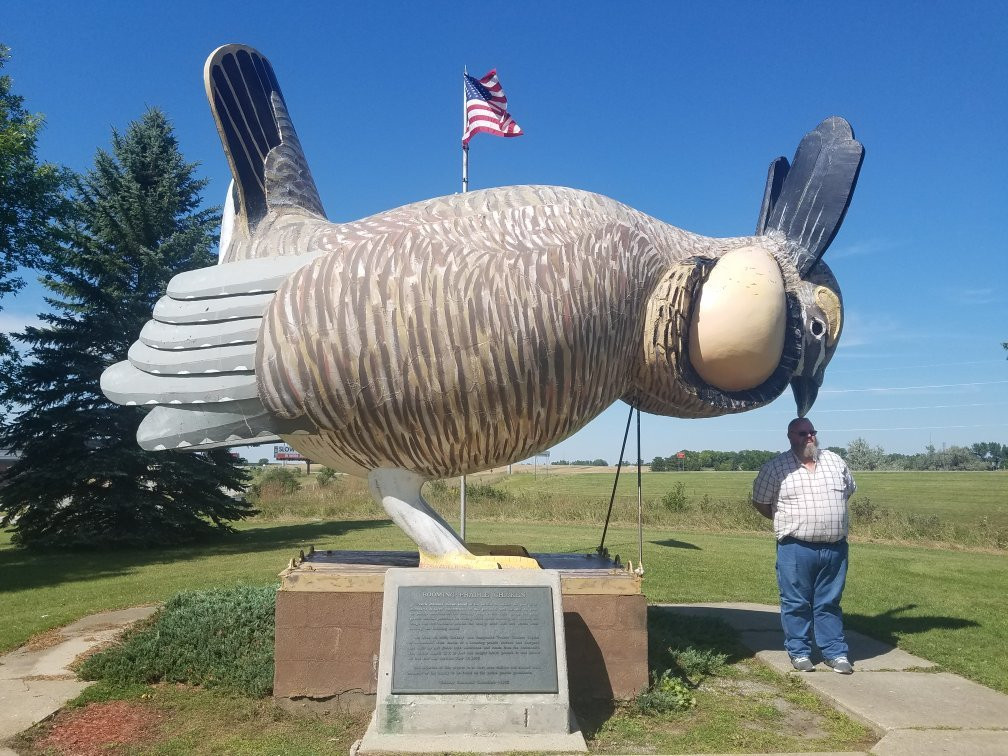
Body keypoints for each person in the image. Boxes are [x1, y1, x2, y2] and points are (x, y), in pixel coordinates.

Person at [752, 417, 856, 674]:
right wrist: (789, 521)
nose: (808, 437)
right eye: (802, 433)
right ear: (790, 436)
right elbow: (761, 502)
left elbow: (849, 491)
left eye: (812, 432)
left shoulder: (835, 461)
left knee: (829, 602)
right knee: (796, 602)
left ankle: (835, 652)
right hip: (795, 548)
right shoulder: (776, 468)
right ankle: (799, 652)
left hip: (834, 548)